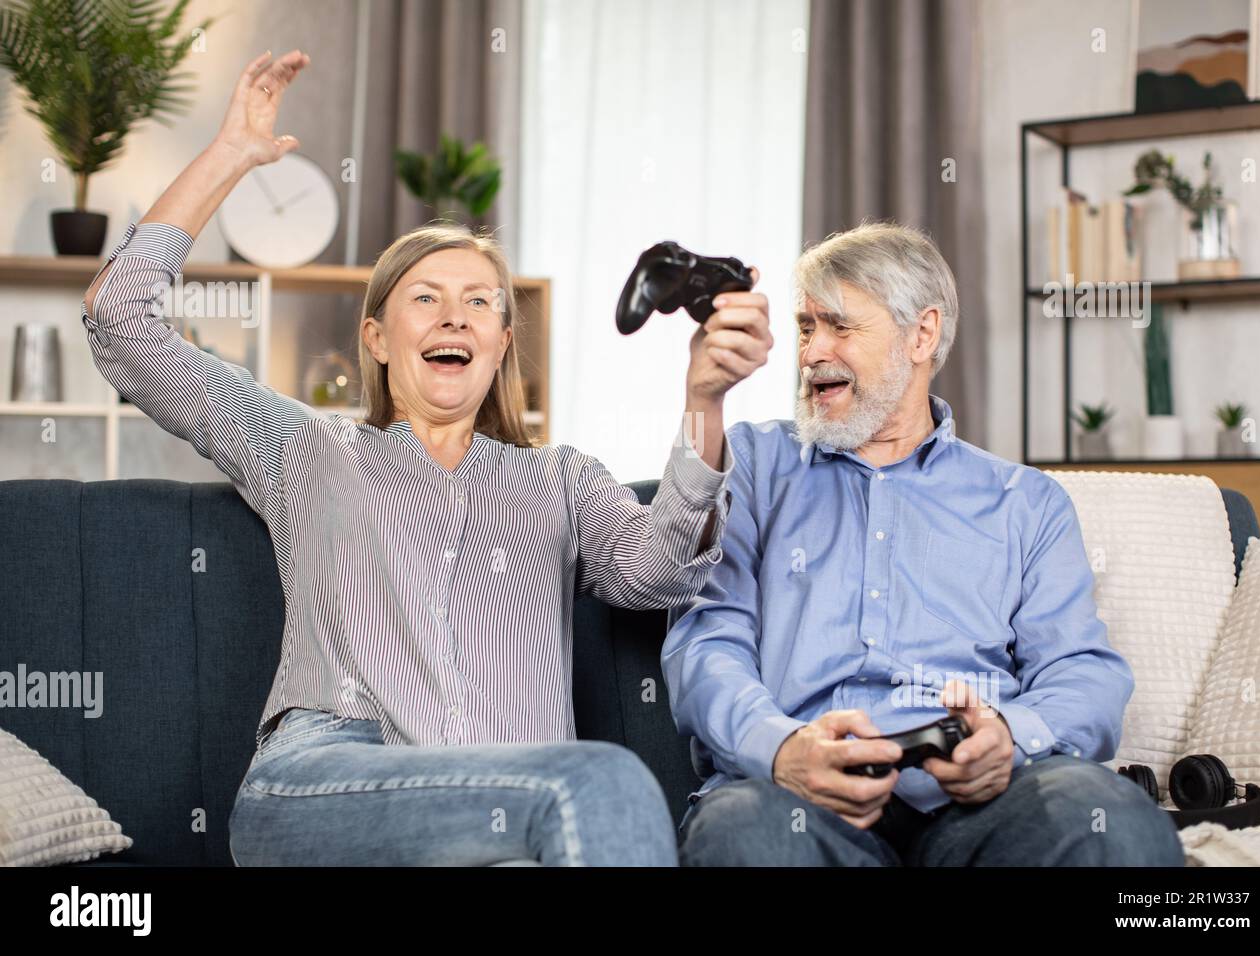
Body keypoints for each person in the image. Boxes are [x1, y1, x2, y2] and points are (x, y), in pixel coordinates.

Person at [81, 50, 773, 866]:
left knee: (565, 813)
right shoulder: (304, 447)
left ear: (501, 344)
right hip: (332, 781)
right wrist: (231, 153)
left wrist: (705, 399)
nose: (455, 316)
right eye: (425, 298)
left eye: (479, 302)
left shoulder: (560, 480)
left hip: (516, 805)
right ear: (377, 338)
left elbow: (659, 573)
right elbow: (121, 320)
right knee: (603, 784)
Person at [661, 220, 1186, 866]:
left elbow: (1085, 676)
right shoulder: (752, 466)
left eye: (839, 326)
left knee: (1112, 824)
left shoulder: (1024, 502)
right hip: (799, 803)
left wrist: (1009, 737)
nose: (811, 353)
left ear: (923, 334)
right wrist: (779, 747)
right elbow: (705, 644)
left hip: (984, 810)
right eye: (805, 328)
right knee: (741, 832)